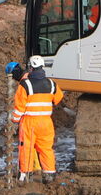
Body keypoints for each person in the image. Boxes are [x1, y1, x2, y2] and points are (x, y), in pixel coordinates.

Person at [10, 55, 63, 184]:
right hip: (46, 122)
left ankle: (25, 175)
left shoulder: (25, 85)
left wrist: (14, 120)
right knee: (46, 148)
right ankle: (49, 175)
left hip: (30, 122)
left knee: (26, 147)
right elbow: (58, 98)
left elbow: (19, 107)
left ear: (30, 68)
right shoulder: (51, 83)